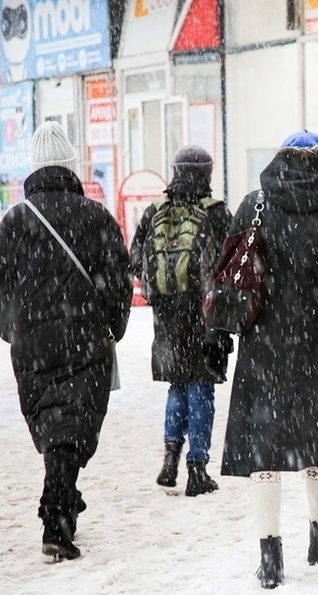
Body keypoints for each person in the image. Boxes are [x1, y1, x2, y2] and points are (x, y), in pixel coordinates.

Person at [219, 130, 318, 589]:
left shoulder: (255, 204)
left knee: (264, 448)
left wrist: (218, 336)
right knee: (317, 439)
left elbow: (230, 272)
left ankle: (270, 555)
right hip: (316, 344)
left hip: (263, 344)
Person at [0, 121, 132, 561]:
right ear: (70, 168)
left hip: (33, 347)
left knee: (55, 425)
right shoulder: (96, 216)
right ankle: (57, 517)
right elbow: (119, 279)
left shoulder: (15, 221)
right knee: (73, 426)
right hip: (85, 341)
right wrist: (113, 325)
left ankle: (64, 500)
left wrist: (13, 328)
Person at [131, 145, 233, 497]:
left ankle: (170, 459)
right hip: (203, 315)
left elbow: (134, 259)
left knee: (178, 385)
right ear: (206, 173)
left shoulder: (156, 211)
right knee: (201, 388)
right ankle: (198, 468)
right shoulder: (216, 213)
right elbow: (232, 264)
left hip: (167, 318)